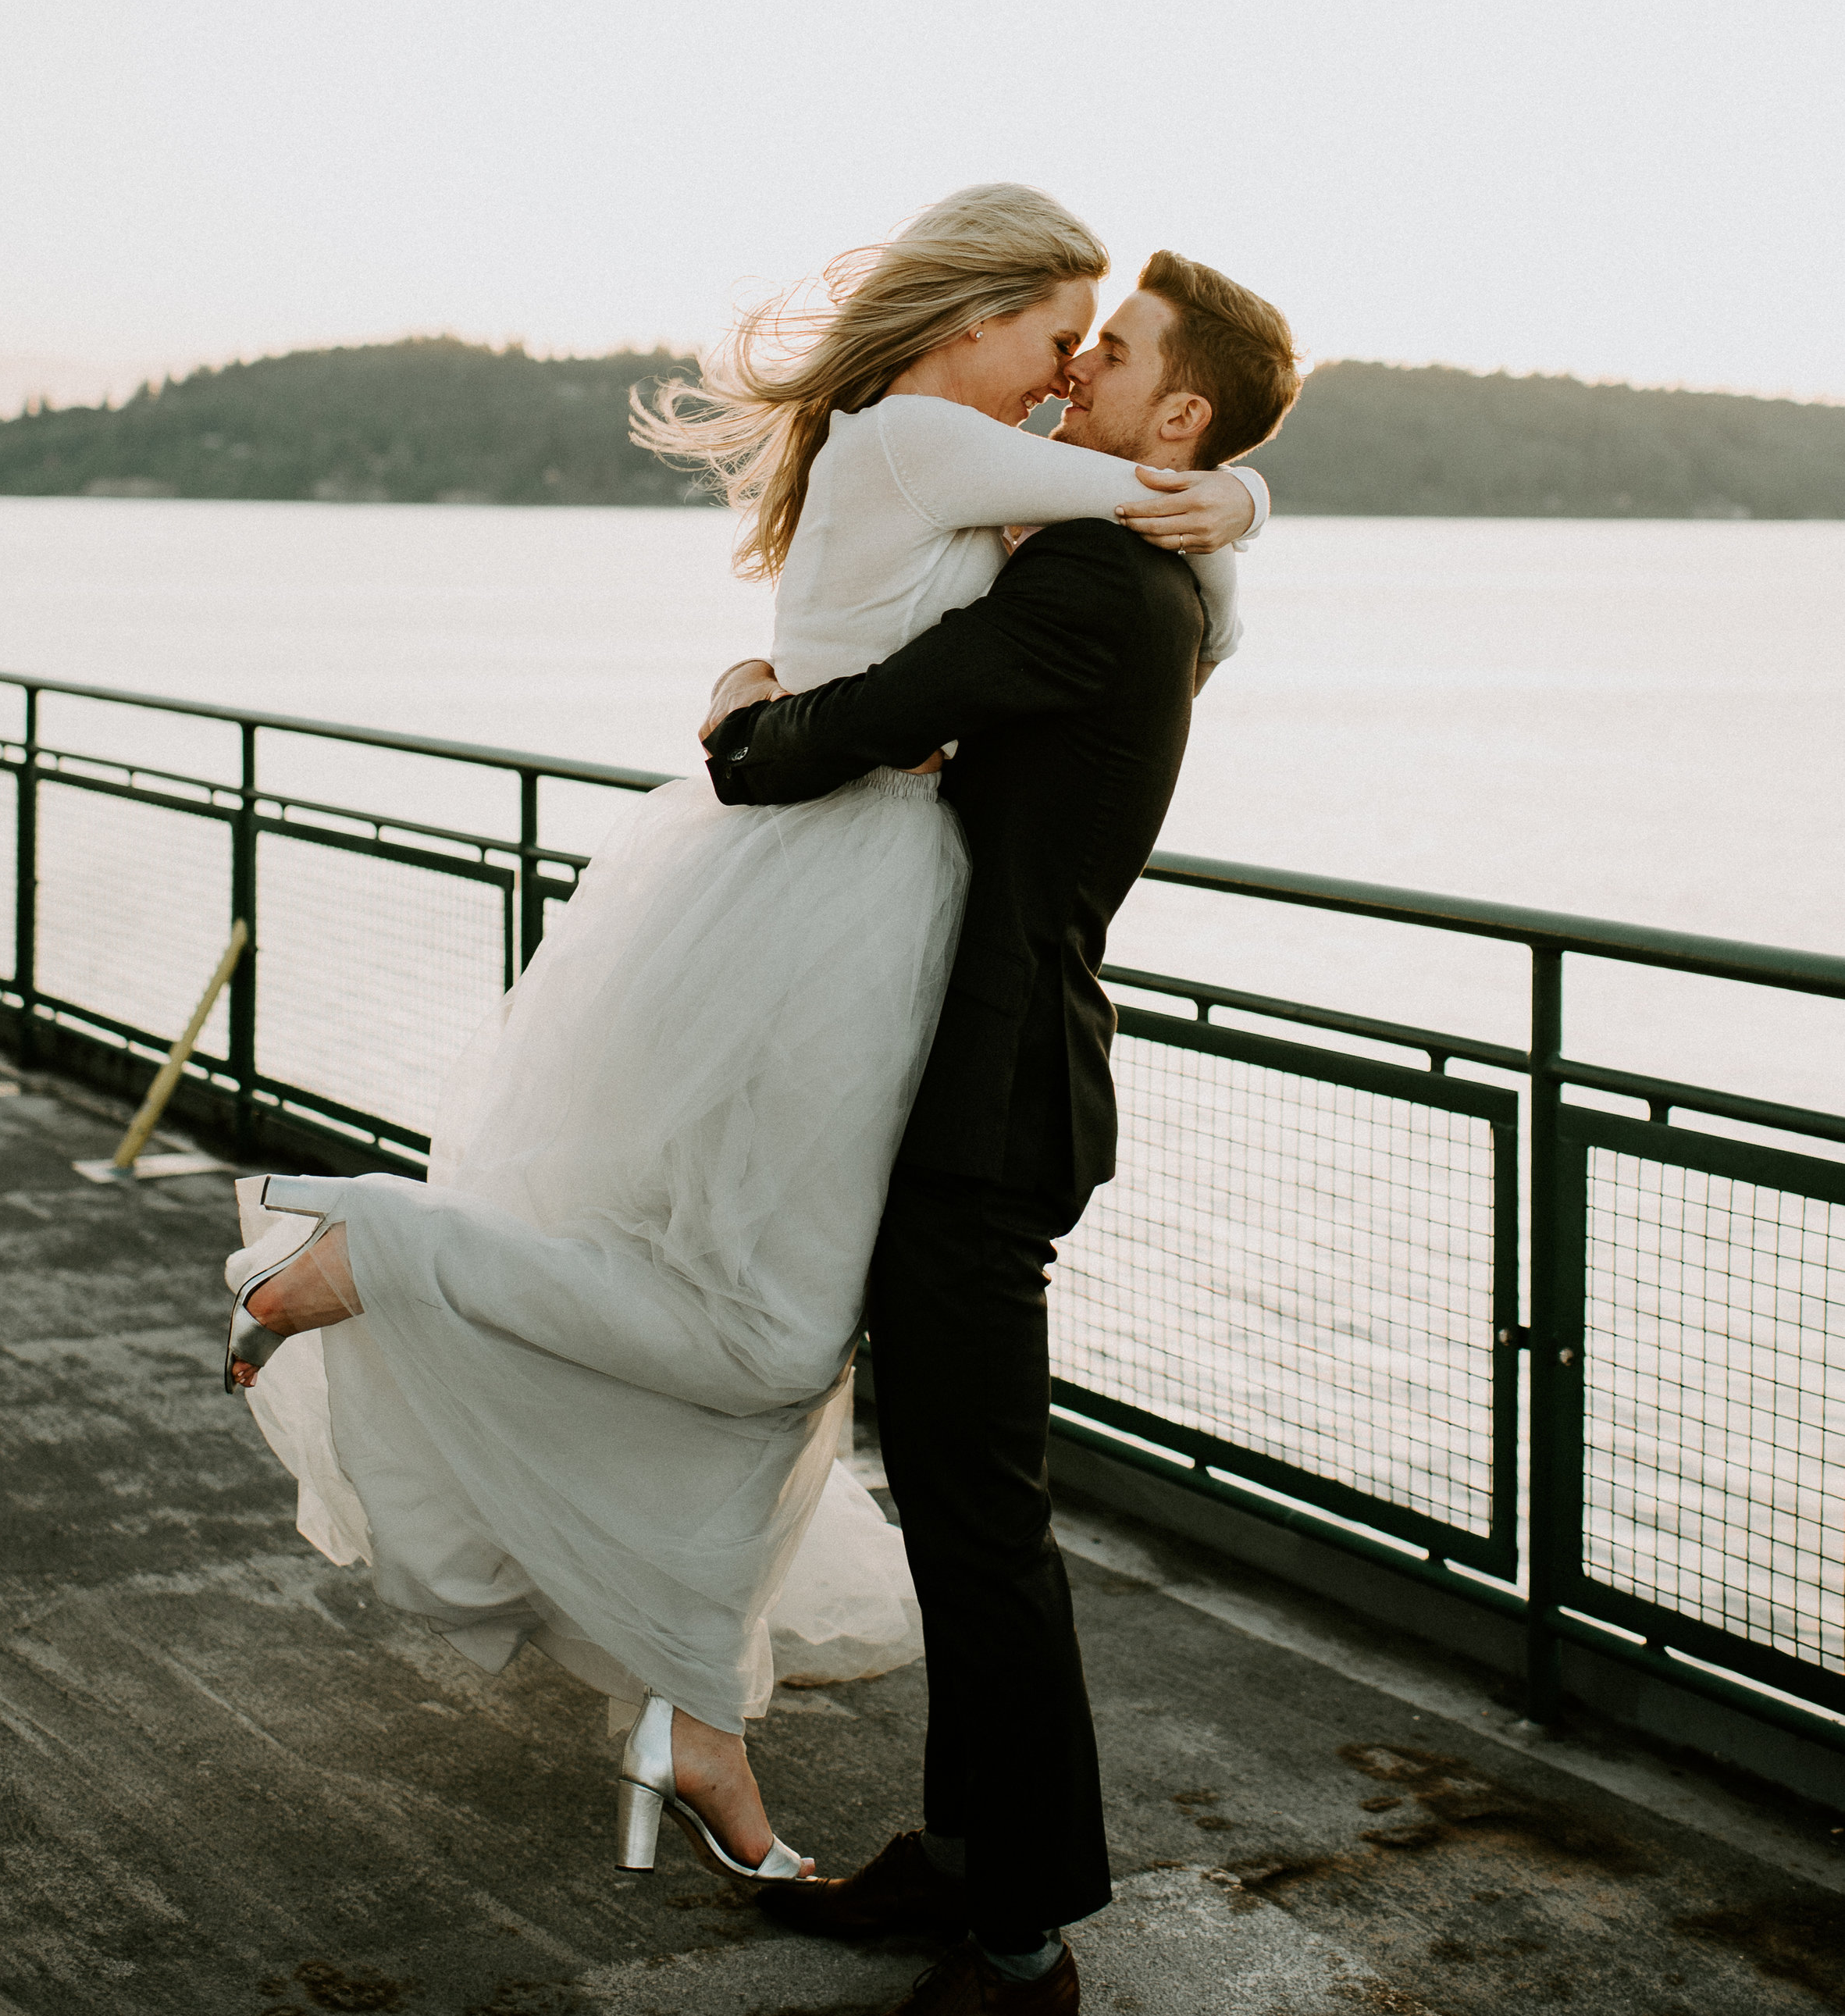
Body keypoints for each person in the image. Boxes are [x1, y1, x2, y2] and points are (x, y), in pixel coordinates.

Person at [218, 185, 1272, 1895]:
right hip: (826, 919)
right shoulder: (933, 434)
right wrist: (1229, 485)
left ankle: (691, 1706)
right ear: (965, 318)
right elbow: (1175, 517)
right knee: (773, 1337)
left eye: (1098, 343)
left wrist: (1212, 494)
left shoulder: (956, 456)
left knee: (769, 1329)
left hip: (849, 915)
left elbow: (1154, 568)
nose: (1064, 363)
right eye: (1052, 328)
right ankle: (378, 1245)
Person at [703, 244, 1301, 2016]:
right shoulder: (1140, 562)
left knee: (984, 1531)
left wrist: (737, 716)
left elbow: (837, 731)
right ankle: (964, 1858)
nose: (1077, 374)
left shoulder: (1108, 586)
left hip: (989, 1103)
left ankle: (1022, 1951)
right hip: (965, 1079)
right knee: (963, 1505)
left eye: (1108, 354)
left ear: (1174, 416)